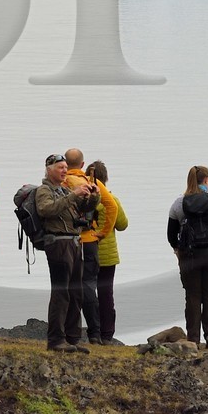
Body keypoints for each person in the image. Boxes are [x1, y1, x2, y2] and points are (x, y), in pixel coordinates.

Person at [34, 153, 98, 353]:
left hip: (74, 242)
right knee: (61, 292)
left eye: (65, 168)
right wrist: (73, 195)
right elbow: (46, 210)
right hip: (58, 243)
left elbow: (83, 208)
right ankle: (55, 339)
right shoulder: (44, 190)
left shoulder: (64, 190)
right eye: (60, 168)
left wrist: (93, 196)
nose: (64, 171)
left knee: (75, 292)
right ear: (49, 170)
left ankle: (72, 338)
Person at [167, 164, 208, 348]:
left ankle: (193, 338)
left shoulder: (179, 202)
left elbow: (171, 233)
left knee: (192, 295)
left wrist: (178, 249)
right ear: (207, 180)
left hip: (189, 254)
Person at [64, 147, 117, 344]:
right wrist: (102, 232)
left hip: (68, 241)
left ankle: (71, 331)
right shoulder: (90, 183)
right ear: (82, 165)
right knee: (88, 286)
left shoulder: (63, 182)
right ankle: (95, 333)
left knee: (68, 286)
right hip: (89, 241)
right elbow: (112, 205)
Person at [88, 159, 128, 344]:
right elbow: (122, 225)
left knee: (88, 292)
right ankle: (107, 334)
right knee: (106, 294)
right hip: (108, 254)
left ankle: (93, 331)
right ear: (106, 178)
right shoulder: (112, 200)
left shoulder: (84, 199)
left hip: (87, 252)